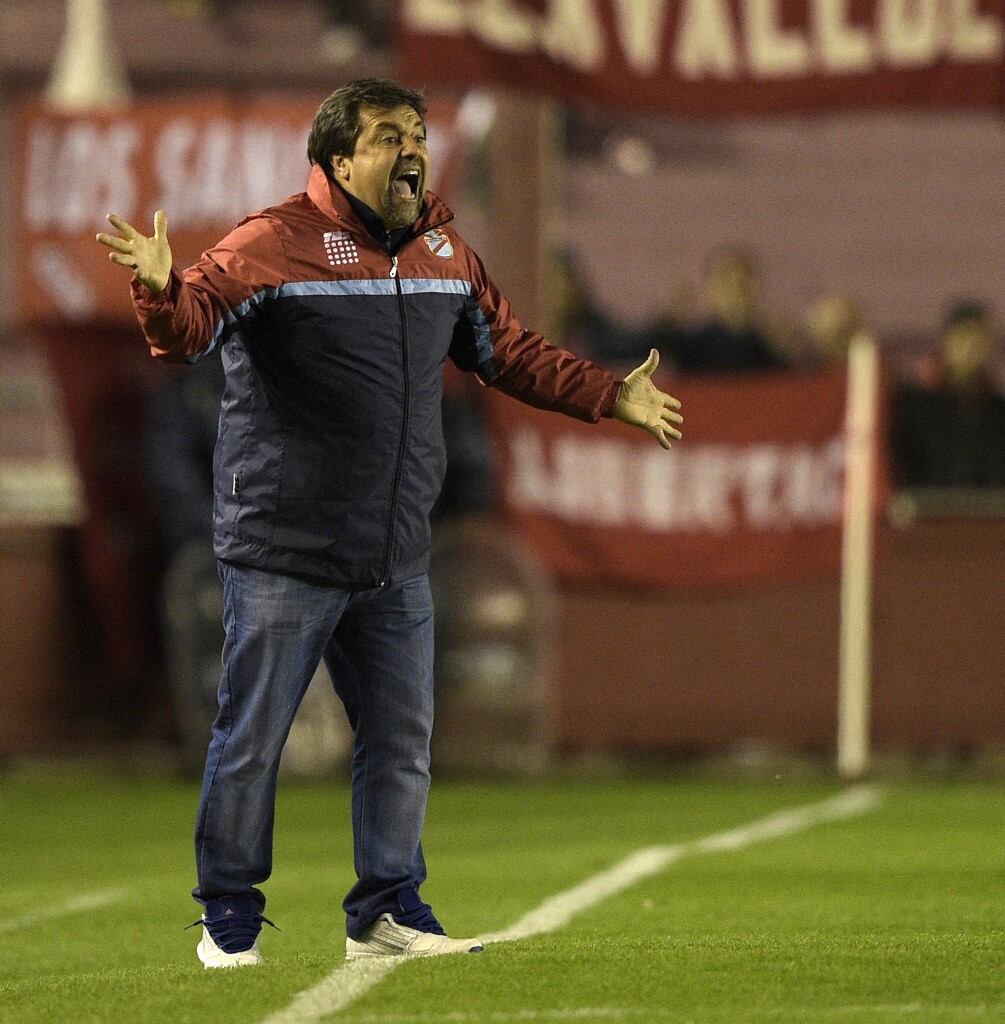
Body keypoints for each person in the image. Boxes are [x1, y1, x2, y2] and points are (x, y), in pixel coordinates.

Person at [97, 78, 683, 969]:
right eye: (386, 137)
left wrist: (608, 394)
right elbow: (187, 329)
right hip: (284, 549)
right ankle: (228, 921)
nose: (411, 150)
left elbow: (508, 352)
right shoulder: (271, 242)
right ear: (338, 160)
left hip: (395, 552)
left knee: (402, 745)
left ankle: (385, 912)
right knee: (252, 741)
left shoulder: (443, 250)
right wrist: (156, 289)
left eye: (415, 133)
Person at [891, 301, 1005, 489]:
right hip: (928, 506)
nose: (970, 349)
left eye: (979, 340)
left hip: (988, 507)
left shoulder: (999, 412)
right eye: (962, 338)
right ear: (945, 342)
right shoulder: (915, 408)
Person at [656, 249, 788, 375]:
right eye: (725, 282)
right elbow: (652, 350)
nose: (734, 291)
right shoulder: (693, 345)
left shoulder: (771, 346)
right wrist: (667, 322)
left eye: (741, 283)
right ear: (710, 289)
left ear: (756, 288)